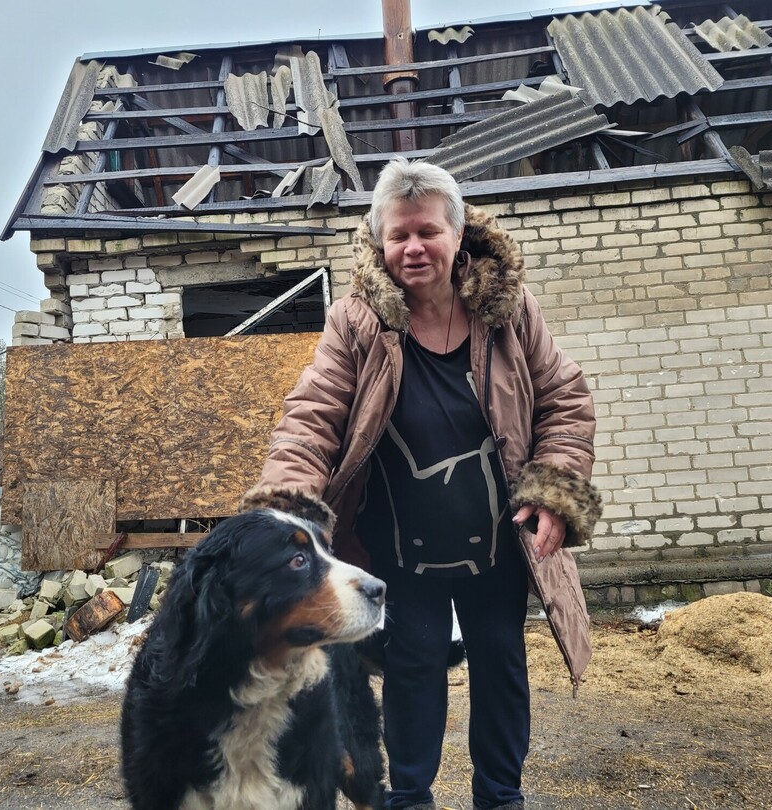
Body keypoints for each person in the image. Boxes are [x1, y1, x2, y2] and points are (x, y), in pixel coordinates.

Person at [242, 157, 602, 810]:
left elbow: (564, 397)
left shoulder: (508, 311)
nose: (413, 247)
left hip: (500, 543)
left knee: (501, 667)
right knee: (414, 671)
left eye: (428, 232)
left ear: (458, 234)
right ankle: (408, 800)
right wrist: (284, 508)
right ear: (381, 241)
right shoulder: (358, 321)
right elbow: (312, 413)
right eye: (399, 234)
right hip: (401, 550)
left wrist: (557, 489)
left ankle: (501, 798)